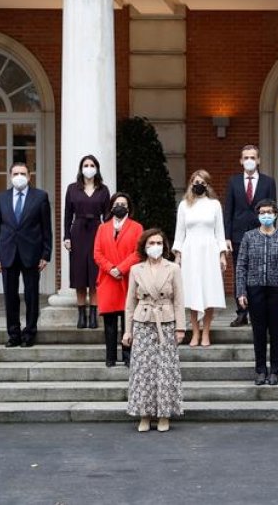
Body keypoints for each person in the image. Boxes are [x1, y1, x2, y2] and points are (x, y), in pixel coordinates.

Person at [122, 229, 186, 433]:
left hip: (166, 322)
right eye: (151, 243)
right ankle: (144, 414)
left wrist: (180, 327)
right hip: (142, 322)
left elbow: (179, 299)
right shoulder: (135, 269)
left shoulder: (173, 268)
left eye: (159, 242)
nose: (155, 246)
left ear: (164, 246)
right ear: (144, 246)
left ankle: (164, 414)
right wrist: (127, 330)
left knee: (165, 370)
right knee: (143, 370)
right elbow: (130, 302)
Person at [0, 162, 52, 348]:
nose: (19, 176)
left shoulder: (40, 197)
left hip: (32, 253)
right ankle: (14, 334)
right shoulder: (1, 198)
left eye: (23, 173)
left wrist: (46, 254)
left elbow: (46, 228)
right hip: (8, 253)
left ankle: (29, 333)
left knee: (31, 295)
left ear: (29, 176)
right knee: (10, 296)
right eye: (16, 173)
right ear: (10, 176)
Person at [235, 200, 278, 386]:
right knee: (258, 331)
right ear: (258, 215)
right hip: (255, 288)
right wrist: (241, 292)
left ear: (275, 214)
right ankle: (260, 369)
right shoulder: (249, 237)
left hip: (277, 290)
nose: (266, 215)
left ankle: (275, 370)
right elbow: (241, 266)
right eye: (263, 212)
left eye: (270, 212)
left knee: (277, 332)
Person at [223, 144, 277, 328]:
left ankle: (258, 312)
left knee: (260, 273)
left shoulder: (268, 182)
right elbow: (228, 210)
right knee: (240, 273)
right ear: (240, 160)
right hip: (238, 236)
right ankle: (241, 313)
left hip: (261, 234)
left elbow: (273, 209)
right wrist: (227, 237)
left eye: (252, 157)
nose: (249, 161)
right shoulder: (234, 182)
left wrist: (272, 234)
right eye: (245, 157)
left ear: (259, 160)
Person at [173, 170, 228, 347]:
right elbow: (179, 233)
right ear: (191, 184)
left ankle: (206, 333)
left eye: (202, 182)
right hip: (190, 251)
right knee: (192, 292)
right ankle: (195, 333)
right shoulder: (184, 205)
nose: (199, 185)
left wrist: (222, 255)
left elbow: (220, 232)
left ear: (207, 185)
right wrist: (178, 256)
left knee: (208, 291)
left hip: (209, 251)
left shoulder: (215, 205)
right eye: (196, 182)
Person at [93, 192, 142, 368]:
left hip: (127, 278)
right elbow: (97, 253)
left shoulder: (136, 227)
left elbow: (137, 253)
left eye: (123, 203)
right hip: (108, 279)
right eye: (116, 203)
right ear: (112, 206)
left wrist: (120, 269)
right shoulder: (102, 228)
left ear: (128, 207)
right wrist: (111, 269)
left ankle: (128, 357)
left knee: (128, 320)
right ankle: (110, 357)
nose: (119, 206)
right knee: (110, 322)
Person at [64, 154, 111, 329]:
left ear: (97, 168)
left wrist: (108, 237)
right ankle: (81, 314)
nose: (89, 168)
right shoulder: (72, 188)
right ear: (81, 168)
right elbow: (68, 214)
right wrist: (66, 237)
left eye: (92, 165)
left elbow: (108, 216)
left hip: (97, 231)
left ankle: (93, 314)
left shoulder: (103, 190)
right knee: (79, 275)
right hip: (78, 231)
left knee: (95, 274)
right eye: (86, 165)